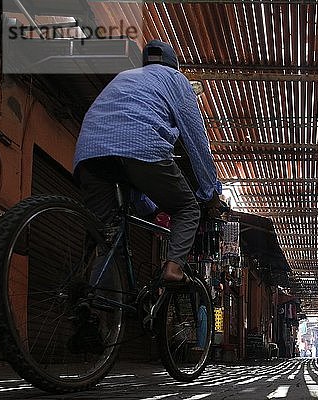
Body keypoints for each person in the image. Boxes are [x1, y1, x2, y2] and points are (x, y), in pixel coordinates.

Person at [73, 39, 221, 285]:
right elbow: (196, 140)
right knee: (187, 209)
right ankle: (173, 269)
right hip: (141, 145)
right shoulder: (176, 80)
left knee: (105, 240)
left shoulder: (124, 77)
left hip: (89, 153)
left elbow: (134, 179)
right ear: (173, 65)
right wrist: (210, 191)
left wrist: (150, 209)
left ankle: (91, 305)